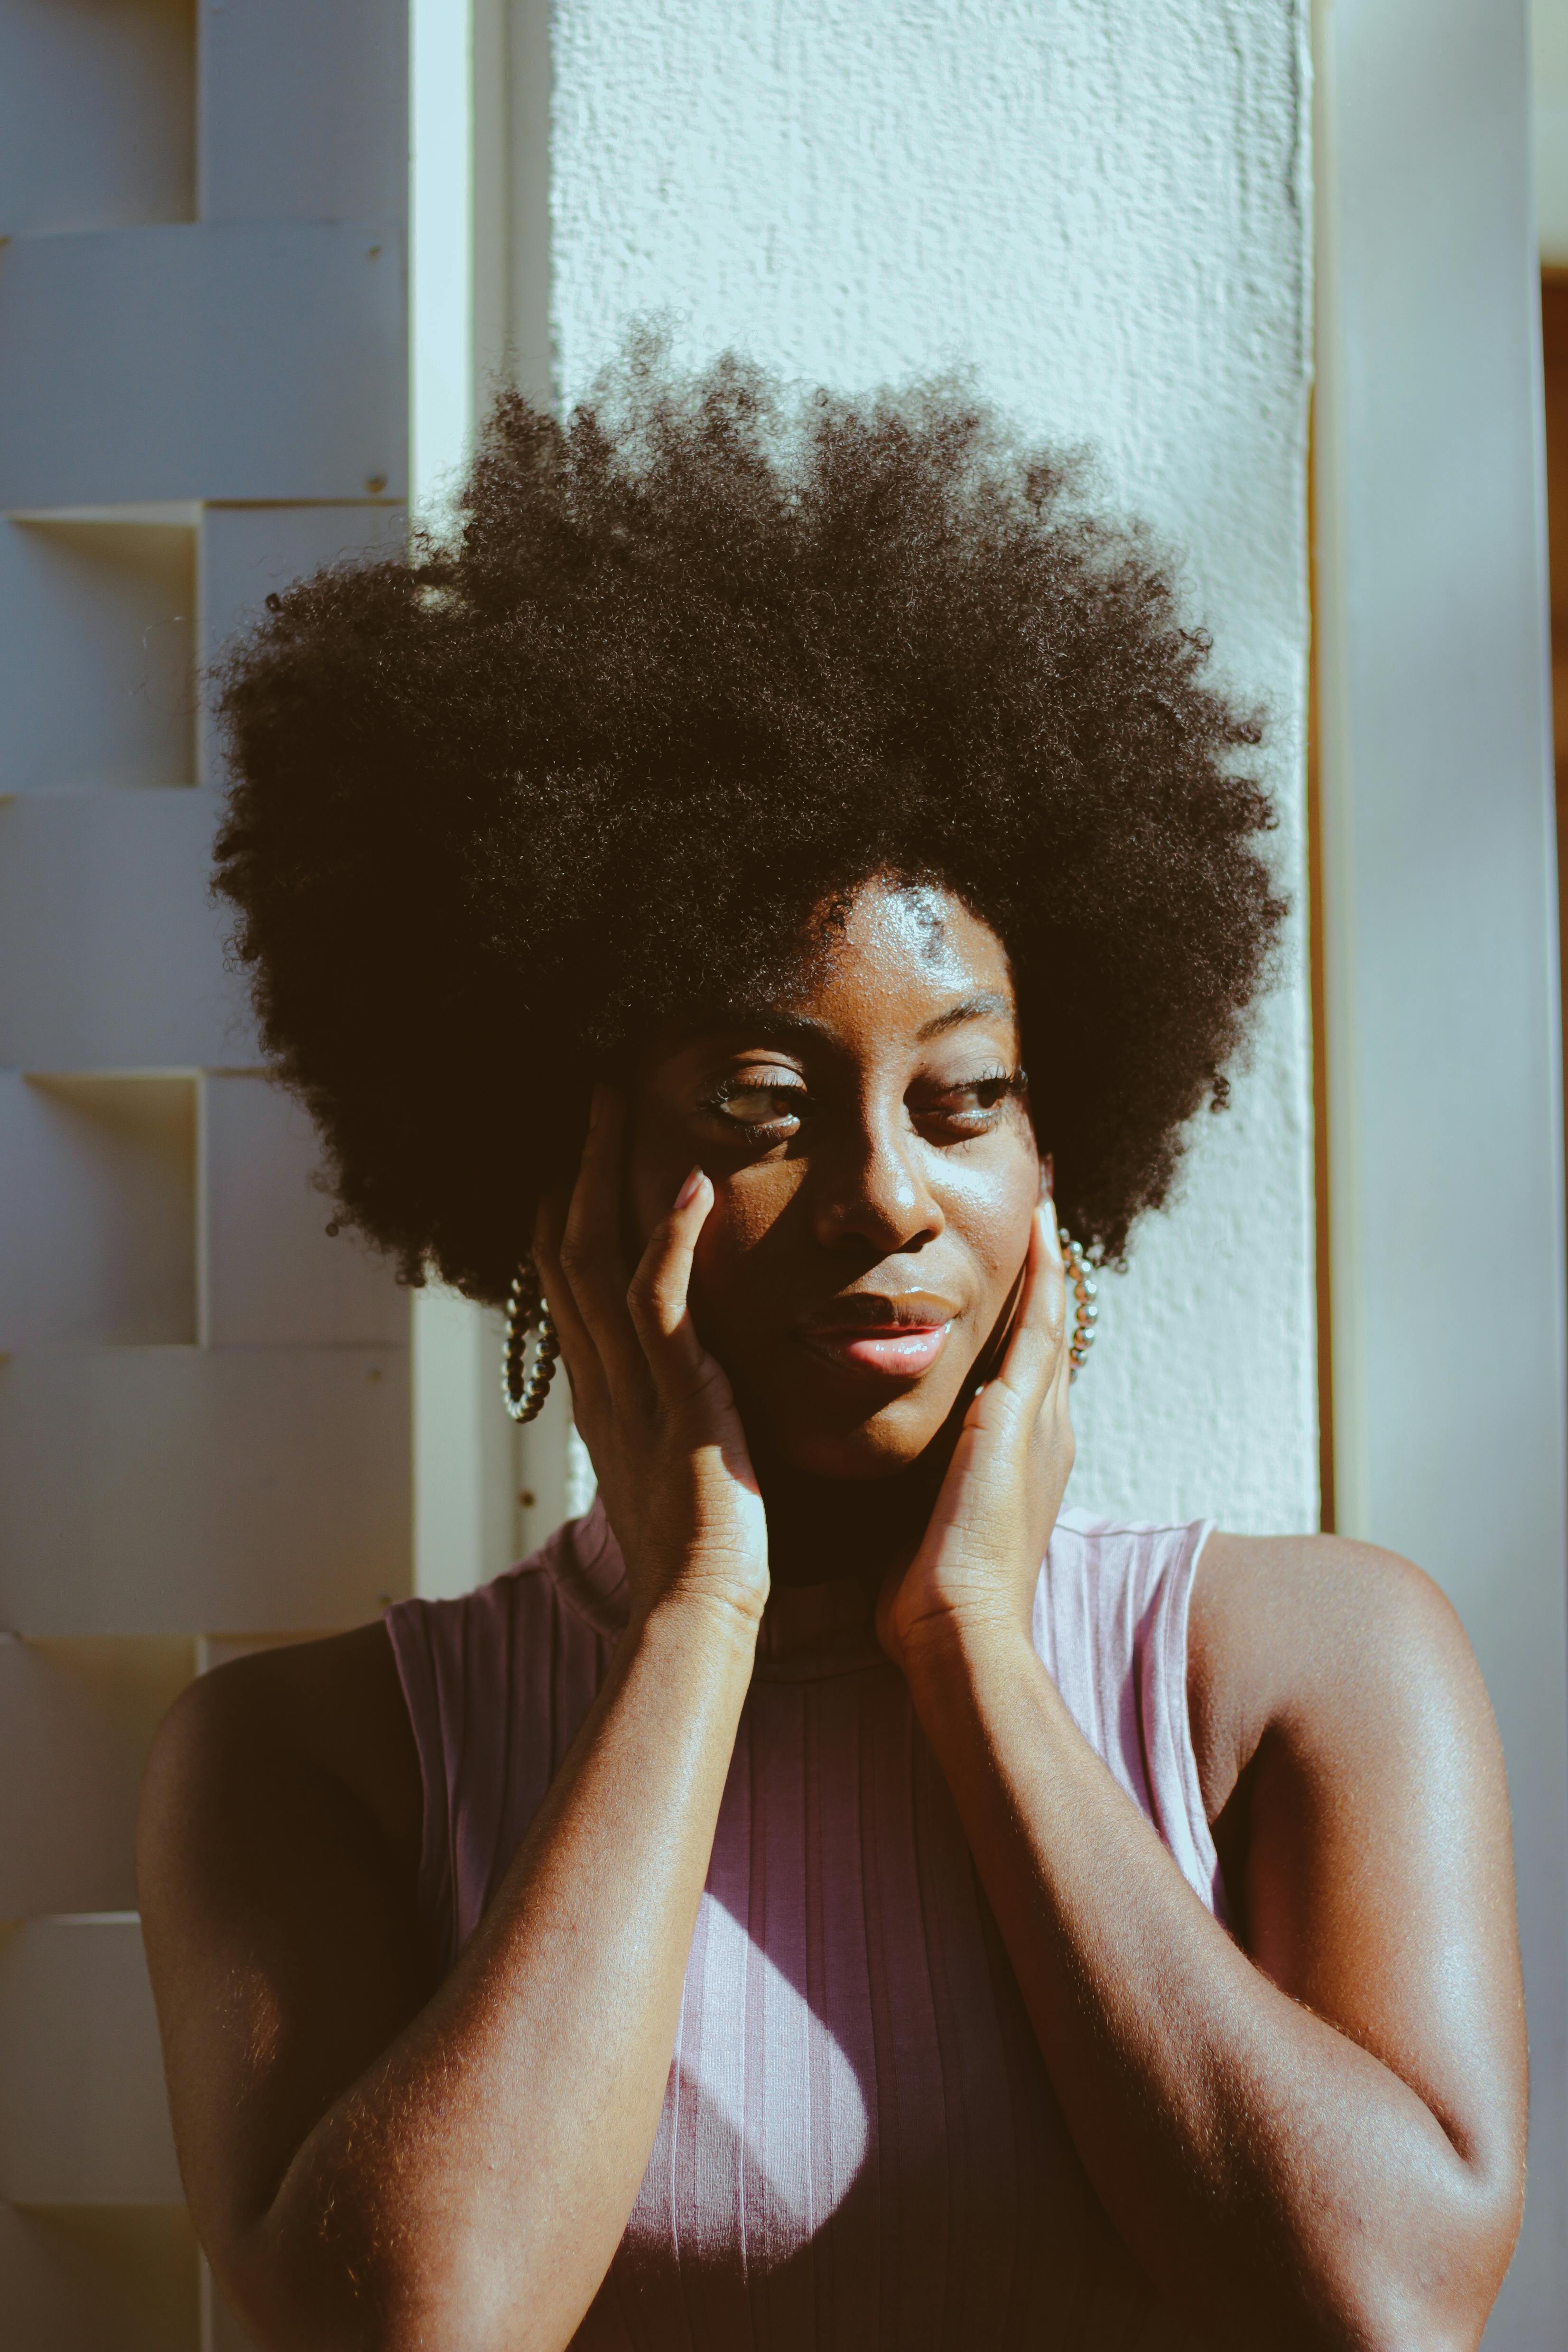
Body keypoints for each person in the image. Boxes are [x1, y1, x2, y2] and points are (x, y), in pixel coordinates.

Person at [137, 352, 1526, 2352]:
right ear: (573, 1177)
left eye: (962, 1104)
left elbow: (1378, 2312)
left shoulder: (1310, 1672)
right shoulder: (309, 1765)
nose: (889, 1199)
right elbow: (412, 2325)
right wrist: (696, 1615)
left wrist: (976, 1650)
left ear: (1063, 1146)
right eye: (765, 1108)